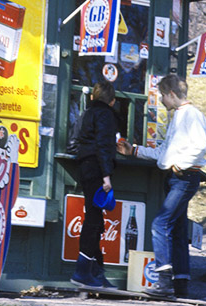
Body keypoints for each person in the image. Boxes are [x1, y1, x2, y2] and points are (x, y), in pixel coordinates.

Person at [117, 74, 206, 298]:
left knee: (160, 224)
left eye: (163, 96)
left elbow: (200, 147)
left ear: (172, 94)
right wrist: (134, 150)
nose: (162, 101)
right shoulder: (179, 116)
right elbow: (164, 152)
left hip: (184, 177)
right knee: (177, 230)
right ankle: (181, 284)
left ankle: (164, 283)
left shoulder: (191, 115)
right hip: (180, 177)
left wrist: (178, 165)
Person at [69, 81, 119, 289]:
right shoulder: (107, 115)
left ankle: (96, 272)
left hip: (85, 167)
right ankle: (82, 272)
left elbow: (73, 143)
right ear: (113, 100)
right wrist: (106, 176)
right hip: (97, 169)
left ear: (92, 97)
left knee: (95, 219)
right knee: (93, 219)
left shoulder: (86, 113)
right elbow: (104, 146)